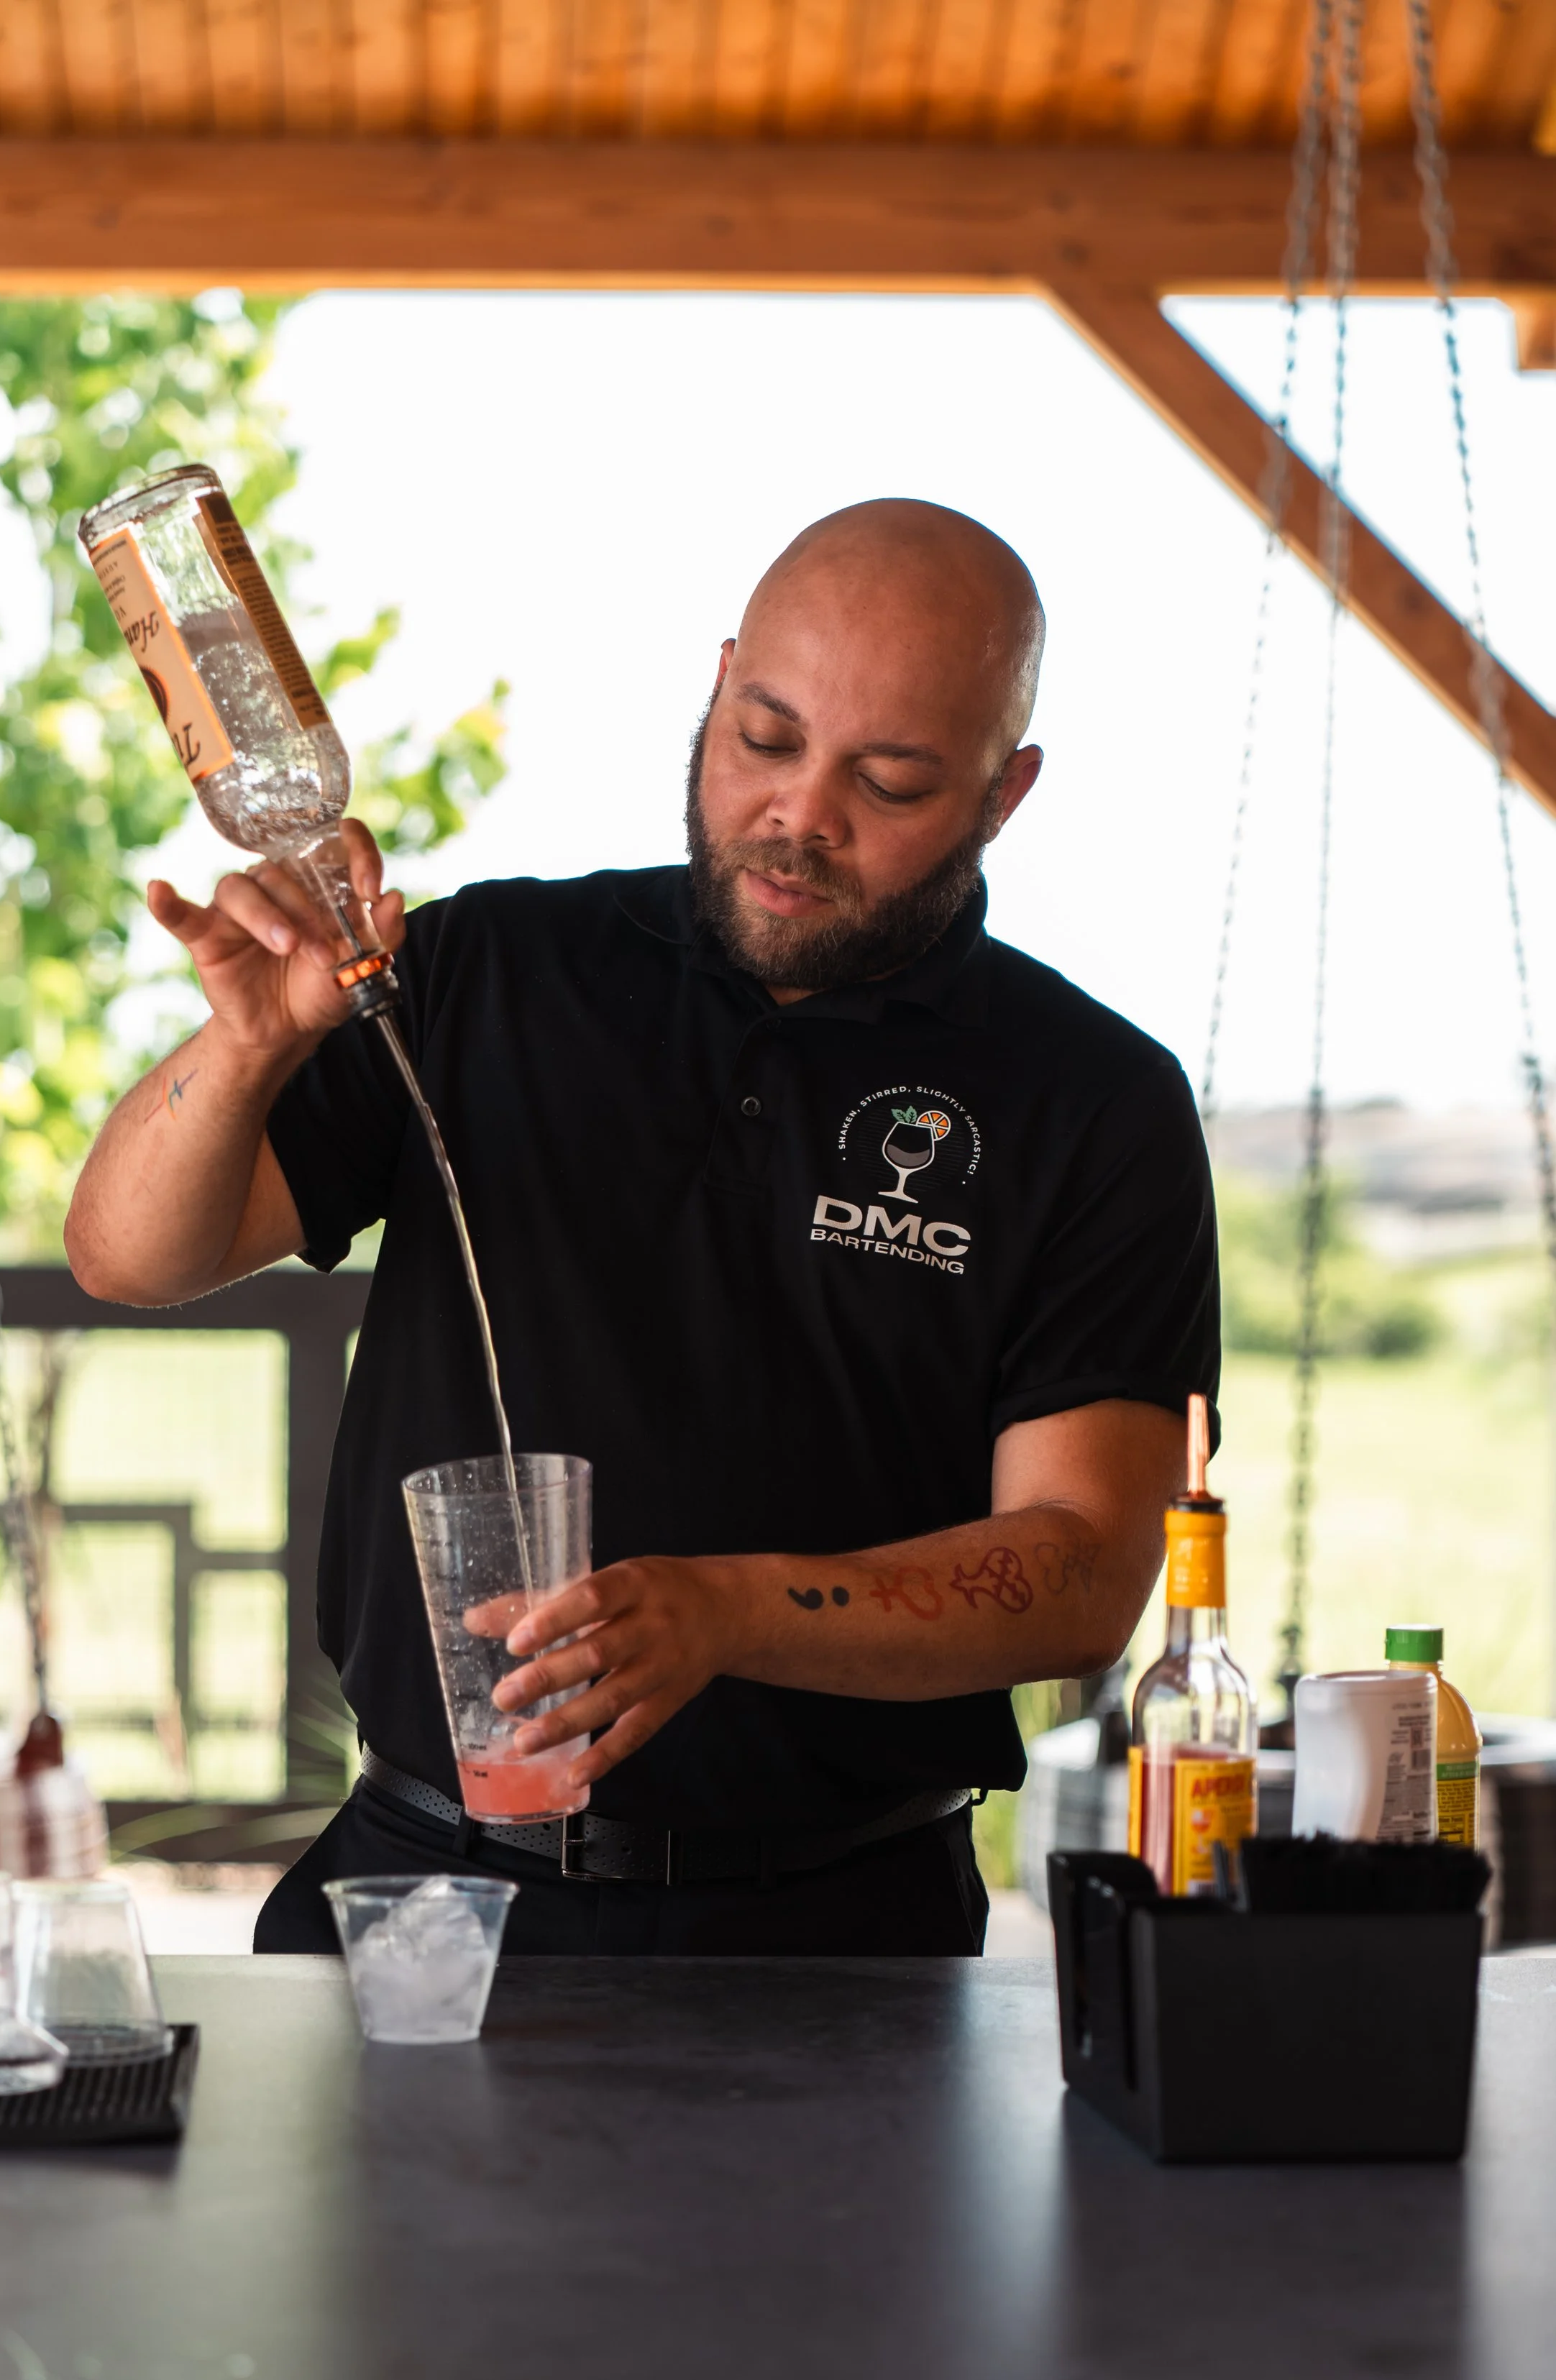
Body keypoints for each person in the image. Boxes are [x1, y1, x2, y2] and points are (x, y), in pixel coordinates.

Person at [66, 498, 1217, 1956]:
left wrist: (726, 1611)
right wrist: (243, 1052)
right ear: (720, 677)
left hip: (838, 1945)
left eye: (892, 779)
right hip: (422, 1893)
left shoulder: (1089, 1098)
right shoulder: (486, 969)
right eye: (764, 735)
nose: (800, 814)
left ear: (1004, 791)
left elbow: (1077, 1573)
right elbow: (127, 1253)